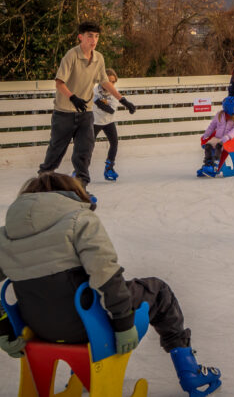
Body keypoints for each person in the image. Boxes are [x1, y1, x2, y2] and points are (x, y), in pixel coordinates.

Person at [0, 173, 222, 395]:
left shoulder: (5, 234)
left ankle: (82, 374)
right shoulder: (79, 219)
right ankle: (190, 373)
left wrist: (4, 330)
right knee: (159, 291)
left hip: (39, 329)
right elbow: (106, 275)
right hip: (86, 328)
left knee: (67, 295)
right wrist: (124, 324)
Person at [39, 22, 136, 193]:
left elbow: (104, 81)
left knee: (84, 152)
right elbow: (59, 82)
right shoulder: (71, 56)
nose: (94, 40)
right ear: (81, 37)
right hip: (64, 113)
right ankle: (41, 186)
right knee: (55, 152)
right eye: (90, 35)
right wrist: (73, 97)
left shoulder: (99, 58)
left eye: (97, 36)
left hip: (85, 114)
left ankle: (81, 189)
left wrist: (122, 100)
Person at [197, 96, 234, 177]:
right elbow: (212, 126)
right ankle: (208, 164)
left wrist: (228, 136)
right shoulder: (220, 115)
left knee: (219, 146)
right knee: (208, 146)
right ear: (229, 108)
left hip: (228, 140)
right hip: (217, 137)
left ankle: (215, 166)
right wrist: (206, 134)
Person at [92, 69, 123, 181]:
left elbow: (110, 110)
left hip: (108, 121)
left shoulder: (115, 93)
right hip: (95, 122)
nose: (112, 84)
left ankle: (109, 168)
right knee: (88, 145)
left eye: (113, 82)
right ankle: (80, 169)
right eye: (109, 81)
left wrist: (96, 101)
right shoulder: (95, 90)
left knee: (114, 143)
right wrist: (96, 101)